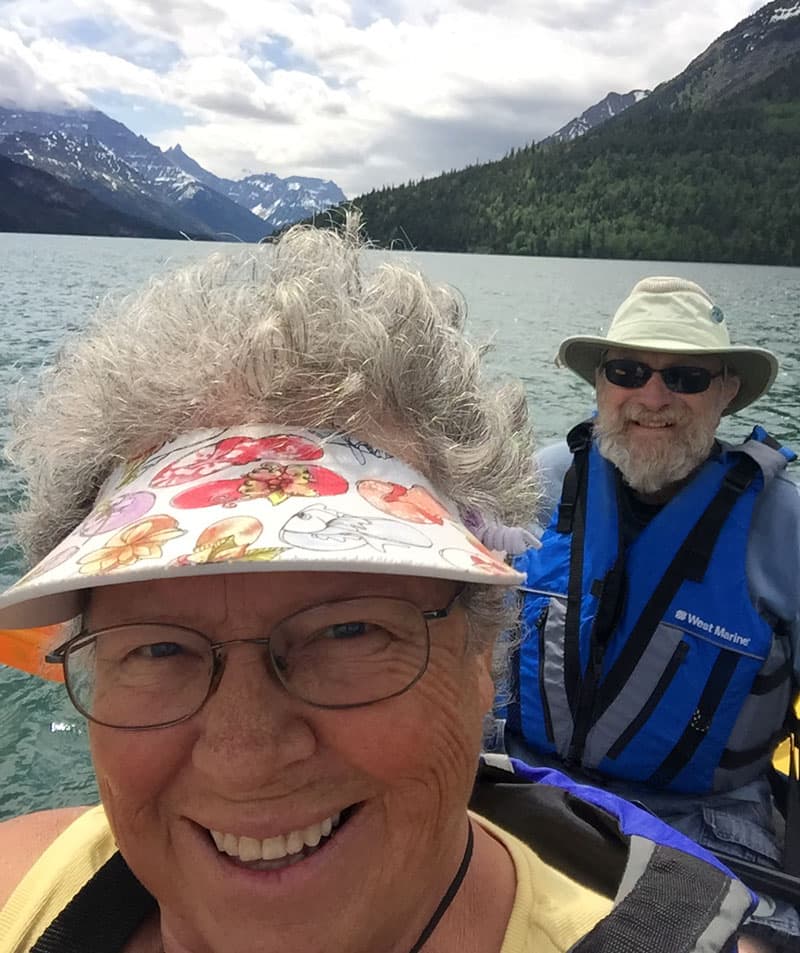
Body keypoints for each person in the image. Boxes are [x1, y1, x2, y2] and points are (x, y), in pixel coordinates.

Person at [0, 230, 755, 953]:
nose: (246, 756)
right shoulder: (21, 892)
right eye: (157, 647)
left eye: (349, 631)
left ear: (483, 649)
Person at [505, 277, 800, 953]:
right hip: (522, 785)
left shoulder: (786, 528)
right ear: (600, 384)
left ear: (726, 392)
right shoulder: (529, 485)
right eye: (628, 370)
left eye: (687, 376)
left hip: (705, 828)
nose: (654, 396)